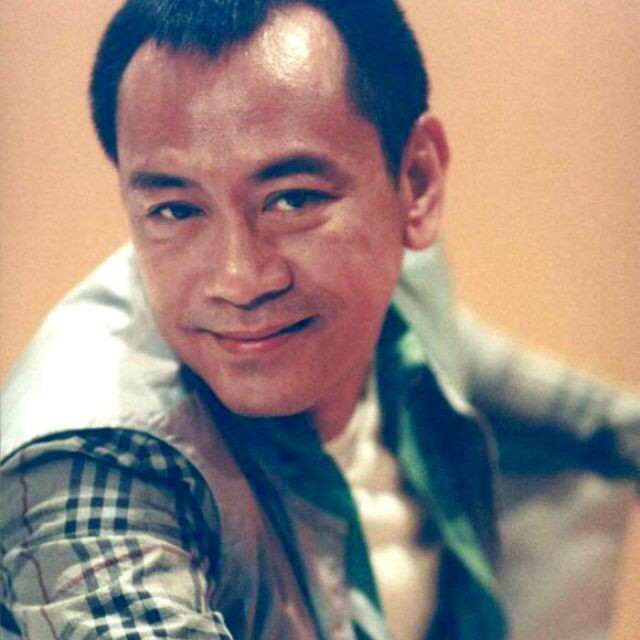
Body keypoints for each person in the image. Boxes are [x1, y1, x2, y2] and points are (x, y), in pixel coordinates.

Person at [1, 1, 638, 639]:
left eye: (293, 199)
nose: (238, 279)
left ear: (415, 184)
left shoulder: (403, 285)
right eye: (174, 209)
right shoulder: (87, 467)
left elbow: (472, 361)